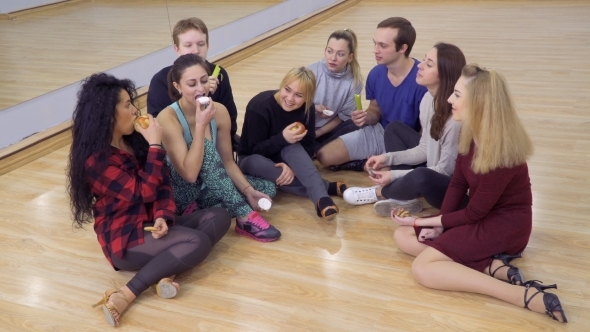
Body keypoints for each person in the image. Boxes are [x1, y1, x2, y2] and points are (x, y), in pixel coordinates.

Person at [392, 64, 567, 323]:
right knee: (402, 236)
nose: (450, 99)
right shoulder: (471, 132)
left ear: (480, 103)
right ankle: (491, 267)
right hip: (481, 217)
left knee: (422, 269)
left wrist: (421, 221)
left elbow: (475, 212)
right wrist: (439, 224)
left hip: (505, 227)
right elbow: (457, 185)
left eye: (458, 95)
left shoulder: (502, 151)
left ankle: (520, 295)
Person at [67, 73, 231, 327]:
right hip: (125, 237)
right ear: (107, 115)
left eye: (132, 103)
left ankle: (166, 272)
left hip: (151, 225)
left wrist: (162, 215)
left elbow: (162, 183)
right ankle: (127, 293)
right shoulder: (95, 162)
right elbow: (142, 192)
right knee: (197, 241)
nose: (135, 111)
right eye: (127, 105)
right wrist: (155, 146)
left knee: (220, 215)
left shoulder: (134, 141)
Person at [158, 54, 281, 242]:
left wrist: (248, 190)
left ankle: (203, 213)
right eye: (192, 84)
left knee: (266, 188)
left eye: (204, 81)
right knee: (205, 149)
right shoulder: (168, 118)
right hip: (181, 192)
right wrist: (200, 126)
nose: (201, 89)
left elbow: (227, 162)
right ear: (178, 87)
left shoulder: (220, 111)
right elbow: (189, 174)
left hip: (209, 187)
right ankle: (245, 218)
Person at [342, 43, 466, 216]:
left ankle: (379, 193)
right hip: (431, 167)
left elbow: (444, 171)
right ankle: (405, 198)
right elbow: (424, 148)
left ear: (444, 74)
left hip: (449, 188)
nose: (420, 66)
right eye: (423, 60)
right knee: (394, 128)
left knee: (421, 175)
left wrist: (393, 175)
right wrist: (387, 158)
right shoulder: (428, 100)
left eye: (429, 64)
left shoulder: (455, 119)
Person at [316, 17, 428, 171]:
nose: (375, 50)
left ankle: (380, 163)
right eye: (375, 43)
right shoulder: (376, 74)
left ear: (402, 48)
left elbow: (424, 136)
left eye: (382, 45)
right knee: (324, 156)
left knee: (393, 174)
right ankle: (363, 164)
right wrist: (365, 117)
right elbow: (375, 111)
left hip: (406, 143)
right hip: (380, 132)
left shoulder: (422, 81)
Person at [238, 67, 347, 219]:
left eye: (298, 95)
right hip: (253, 158)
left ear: (307, 98)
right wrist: (282, 138)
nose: (290, 98)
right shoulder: (259, 106)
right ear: (281, 85)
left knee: (294, 147)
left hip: (285, 155)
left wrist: (292, 167)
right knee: (265, 163)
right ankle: (325, 187)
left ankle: (322, 201)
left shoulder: (308, 109)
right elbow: (253, 149)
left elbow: (309, 147)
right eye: (287, 89)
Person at [147, 17, 239, 147]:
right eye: (188, 45)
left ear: (208, 45)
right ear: (177, 49)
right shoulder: (160, 81)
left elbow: (231, 121)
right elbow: (160, 129)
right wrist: (199, 95)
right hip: (178, 150)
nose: (196, 50)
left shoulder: (220, 74)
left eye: (201, 44)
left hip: (217, 146)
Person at [307, 28, 363, 151]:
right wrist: (314, 108)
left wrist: (317, 133)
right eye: (330, 51)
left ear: (350, 57)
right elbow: (295, 104)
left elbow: (343, 116)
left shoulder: (355, 82)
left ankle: (317, 148)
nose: (333, 58)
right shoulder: (311, 72)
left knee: (356, 124)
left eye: (340, 54)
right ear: (325, 51)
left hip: (327, 131)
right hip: (304, 125)